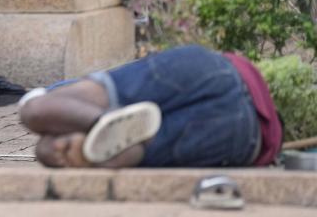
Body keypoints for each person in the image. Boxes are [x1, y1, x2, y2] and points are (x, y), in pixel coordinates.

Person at [18, 45, 283, 168]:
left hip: (221, 71)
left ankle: (97, 120)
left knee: (39, 128)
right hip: (244, 137)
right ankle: (105, 134)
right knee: (46, 146)